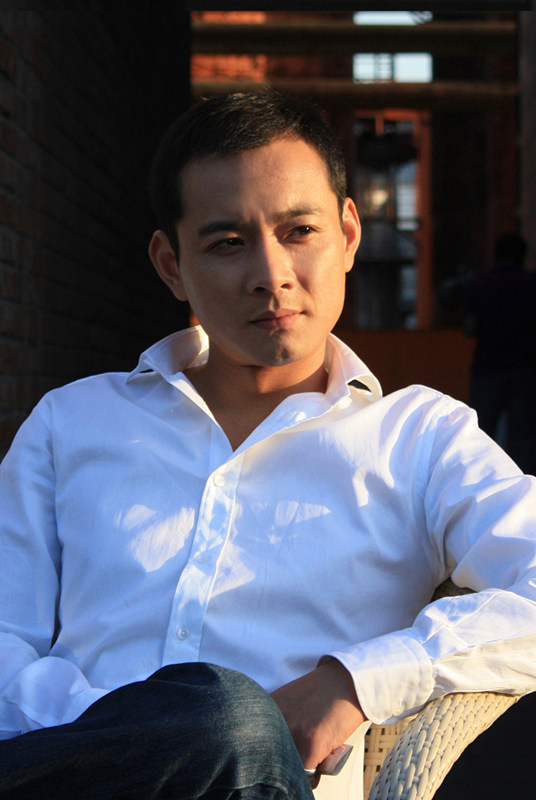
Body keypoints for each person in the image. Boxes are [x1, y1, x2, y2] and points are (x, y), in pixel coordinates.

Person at [0, 91, 535, 799]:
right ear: (170, 265)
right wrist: (119, 733)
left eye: (299, 231)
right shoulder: (71, 424)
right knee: (216, 716)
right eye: (228, 243)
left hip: (268, 782)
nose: (271, 274)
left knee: (238, 721)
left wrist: (358, 679)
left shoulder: (421, 439)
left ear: (349, 234)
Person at [464, 232, 536, 475]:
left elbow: (469, 327)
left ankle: (479, 484)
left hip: (488, 368)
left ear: (495, 255)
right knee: (523, 438)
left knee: (480, 435)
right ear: (523, 256)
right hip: (525, 370)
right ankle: (523, 488)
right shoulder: (532, 284)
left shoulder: (481, 284)